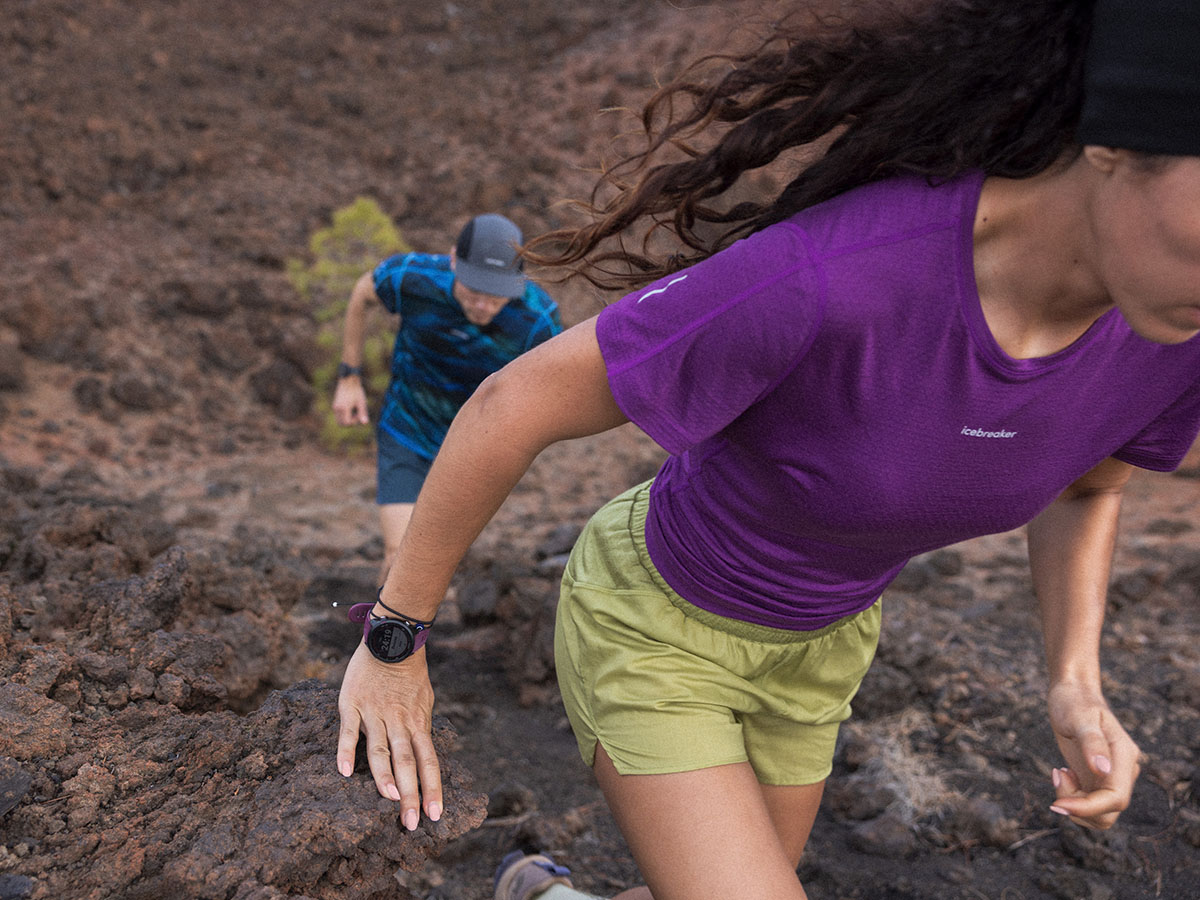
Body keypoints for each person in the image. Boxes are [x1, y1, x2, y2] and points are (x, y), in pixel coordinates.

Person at [335, 1, 1200, 898]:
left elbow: (1088, 489)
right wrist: (395, 642)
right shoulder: (837, 276)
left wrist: (1075, 681)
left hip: (823, 653)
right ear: (1116, 148)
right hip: (657, 627)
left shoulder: (1173, 329)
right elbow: (515, 400)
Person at [331, 213, 562, 580]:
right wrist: (349, 377)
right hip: (408, 428)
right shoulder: (414, 278)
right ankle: (382, 637)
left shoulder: (537, 320)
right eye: (475, 290)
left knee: (434, 566)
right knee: (400, 556)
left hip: (474, 447)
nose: (484, 305)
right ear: (454, 261)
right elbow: (363, 293)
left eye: (497, 295)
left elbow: (547, 390)